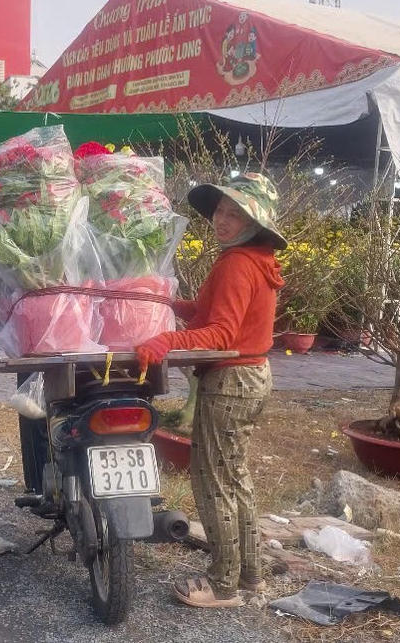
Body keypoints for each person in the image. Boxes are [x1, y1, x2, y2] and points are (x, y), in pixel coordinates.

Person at [135, 173, 286, 608]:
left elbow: (220, 333)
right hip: (251, 376)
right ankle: (250, 576)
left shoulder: (237, 263)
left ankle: (222, 584)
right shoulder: (253, 258)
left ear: (254, 222)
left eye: (235, 214)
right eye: (220, 210)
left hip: (231, 382)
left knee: (214, 482)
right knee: (236, 479)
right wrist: (166, 304)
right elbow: (212, 313)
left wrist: (165, 340)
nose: (222, 219)